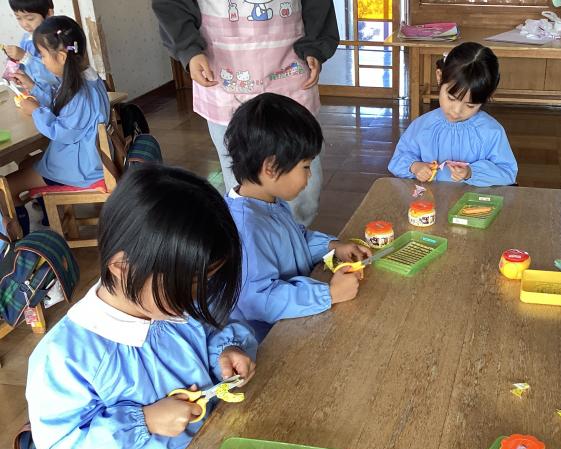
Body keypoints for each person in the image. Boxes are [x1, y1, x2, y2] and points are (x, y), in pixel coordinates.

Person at [26, 165, 258, 449]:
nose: (197, 296)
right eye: (188, 284)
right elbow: (58, 448)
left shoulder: (172, 305)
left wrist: (226, 353)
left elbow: (214, 333)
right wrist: (145, 421)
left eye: (203, 282)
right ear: (122, 267)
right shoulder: (65, 356)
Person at [151, 0, 338, 226]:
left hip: (290, 67)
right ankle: (249, 239)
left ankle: (296, 235)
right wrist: (188, 50)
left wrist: (316, 46)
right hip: (224, 73)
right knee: (242, 177)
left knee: (302, 173)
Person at [224, 92, 368, 343]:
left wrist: (332, 246)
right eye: (305, 166)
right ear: (271, 167)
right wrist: (329, 294)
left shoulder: (268, 201)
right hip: (269, 341)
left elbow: (295, 239)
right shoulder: (246, 227)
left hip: (296, 316)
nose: (309, 175)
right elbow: (259, 300)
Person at [3, 16, 109, 231]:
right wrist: (33, 87)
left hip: (79, 167)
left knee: (5, 188)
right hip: (85, 159)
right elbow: (60, 103)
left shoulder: (80, 93)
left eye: (42, 56)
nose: (42, 62)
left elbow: (62, 132)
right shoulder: (87, 79)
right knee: (25, 164)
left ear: (61, 57)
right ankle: (50, 217)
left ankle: (23, 241)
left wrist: (36, 111)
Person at [388, 42, 517, 187]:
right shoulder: (423, 126)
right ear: (439, 76)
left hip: (473, 200)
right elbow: (397, 161)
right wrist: (415, 166)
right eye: (451, 98)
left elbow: (508, 174)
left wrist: (471, 173)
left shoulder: (491, 131)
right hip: (430, 199)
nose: (456, 111)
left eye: (470, 105)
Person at [3, 0, 58, 89]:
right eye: (19, 18)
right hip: (34, 92)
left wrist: (25, 57)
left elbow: (55, 77)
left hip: (55, 94)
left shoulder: (56, 41)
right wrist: (16, 70)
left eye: (30, 18)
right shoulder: (26, 39)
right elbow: (26, 68)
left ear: (49, 13)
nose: (24, 24)